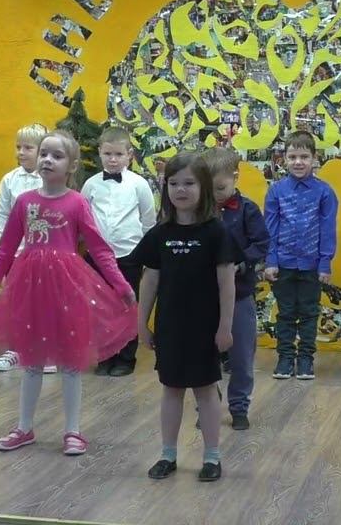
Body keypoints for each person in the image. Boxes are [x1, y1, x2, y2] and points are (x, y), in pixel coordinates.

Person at [0, 130, 136, 456]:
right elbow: (5, 249)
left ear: (72, 166)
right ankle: (24, 427)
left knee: (70, 362)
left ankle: (73, 431)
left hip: (67, 288)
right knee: (32, 361)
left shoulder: (77, 202)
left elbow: (99, 248)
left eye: (57, 155)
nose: (47, 160)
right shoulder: (25, 202)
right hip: (30, 288)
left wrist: (121, 285)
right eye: (44, 154)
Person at [134, 152, 236, 482]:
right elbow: (150, 281)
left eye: (189, 183)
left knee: (206, 390)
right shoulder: (159, 234)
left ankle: (212, 457)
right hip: (170, 327)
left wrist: (225, 327)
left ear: (203, 187)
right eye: (173, 183)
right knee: (172, 389)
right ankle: (168, 454)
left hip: (205, 327)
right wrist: (141, 324)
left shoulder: (216, 232)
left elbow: (227, 283)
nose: (181, 189)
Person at [199, 146, 268, 430]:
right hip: (203, 298)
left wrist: (241, 263)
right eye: (209, 189)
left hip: (239, 295)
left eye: (220, 188)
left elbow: (261, 244)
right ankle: (207, 405)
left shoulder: (248, 210)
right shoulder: (197, 211)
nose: (215, 195)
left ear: (235, 177)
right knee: (203, 356)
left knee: (241, 356)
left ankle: (239, 406)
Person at [81, 126, 156, 376]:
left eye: (118, 154)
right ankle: (105, 355)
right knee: (100, 307)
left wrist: (144, 255)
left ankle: (125, 358)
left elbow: (148, 221)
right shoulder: (90, 185)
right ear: (100, 153)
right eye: (107, 154)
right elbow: (83, 218)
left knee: (128, 305)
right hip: (96, 257)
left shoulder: (139, 184)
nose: (113, 159)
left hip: (129, 256)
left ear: (129, 155)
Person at [263, 131, 338, 380]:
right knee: (285, 313)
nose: (298, 162)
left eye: (304, 157)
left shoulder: (325, 192)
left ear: (314, 158)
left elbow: (327, 229)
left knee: (309, 312)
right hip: (283, 263)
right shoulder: (276, 191)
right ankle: (285, 358)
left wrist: (325, 262)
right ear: (284, 159)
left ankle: (306, 359)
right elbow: (270, 228)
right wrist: (271, 260)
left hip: (312, 265)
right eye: (292, 156)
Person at [0, 123, 48, 373]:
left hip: (44, 253)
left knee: (43, 301)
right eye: (18, 147)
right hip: (16, 253)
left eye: (28, 148)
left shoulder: (50, 180)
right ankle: (15, 349)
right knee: (16, 302)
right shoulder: (9, 180)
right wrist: (4, 250)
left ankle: (44, 351)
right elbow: (2, 215)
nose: (21, 152)